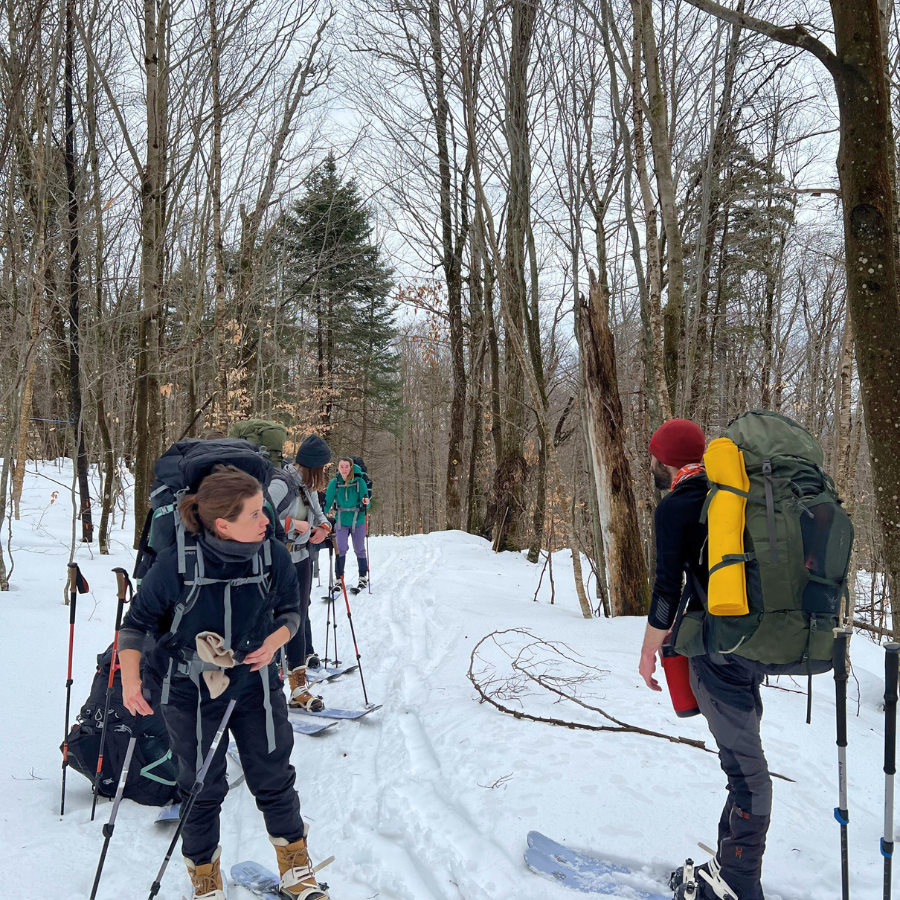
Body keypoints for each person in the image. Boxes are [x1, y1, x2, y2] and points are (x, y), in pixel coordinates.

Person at [118, 466, 329, 900]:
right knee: (200, 786)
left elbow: (292, 611)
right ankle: (205, 881)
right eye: (255, 514)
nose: (267, 520)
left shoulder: (272, 554)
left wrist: (275, 640)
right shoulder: (178, 562)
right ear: (223, 524)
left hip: (254, 682)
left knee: (273, 775)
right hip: (190, 688)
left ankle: (295, 867)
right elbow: (136, 625)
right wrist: (131, 680)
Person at [639, 418, 770, 900]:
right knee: (740, 761)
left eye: (654, 457)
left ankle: (737, 881)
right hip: (751, 645)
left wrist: (649, 650)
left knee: (746, 769)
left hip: (717, 649)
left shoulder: (678, 505)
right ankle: (728, 867)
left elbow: (666, 588)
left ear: (667, 461)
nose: (651, 464)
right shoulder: (732, 495)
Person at [268, 435, 332, 711]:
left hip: (302, 558)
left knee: (299, 616)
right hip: (277, 560)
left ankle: (298, 687)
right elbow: (259, 514)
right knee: (273, 617)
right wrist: (294, 523)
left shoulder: (307, 486)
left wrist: (324, 528)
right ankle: (267, 683)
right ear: (314, 466)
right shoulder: (281, 483)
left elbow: (319, 514)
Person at [324, 456, 370, 594]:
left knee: (359, 549)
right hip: (341, 520)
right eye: (341, 466)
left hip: (358, 519)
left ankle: (363, 577)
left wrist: (366, 502)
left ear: (351, 467)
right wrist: (320, 518)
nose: (344, 469)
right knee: (341, 548)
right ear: (338, 468)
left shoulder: (360, 482)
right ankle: (339, 579)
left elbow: (366, 498)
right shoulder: (334, 484)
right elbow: (327, 502)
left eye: (346, 466)